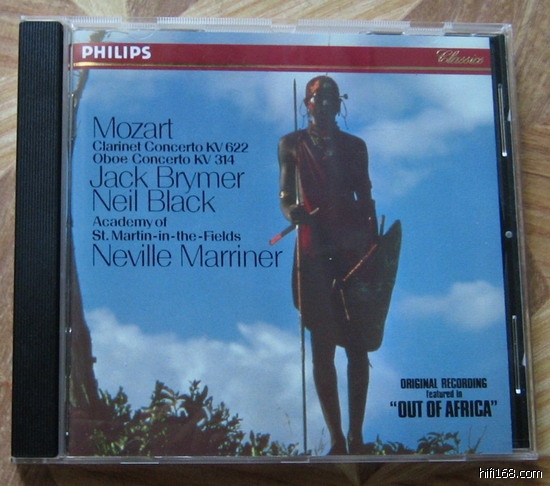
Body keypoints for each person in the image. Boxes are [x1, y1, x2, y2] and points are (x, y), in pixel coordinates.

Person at [278, 76, 378, 455]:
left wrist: (373, 247)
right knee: (322, 346)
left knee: (357, 344)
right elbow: (286, 195)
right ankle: (336, 440)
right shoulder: (291, 144)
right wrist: (292, 212)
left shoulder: (355, 146)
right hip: (313, 249)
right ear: (306, 103)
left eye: (330, 98)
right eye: (317, 98)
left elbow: (365, 196)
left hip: (352, 247)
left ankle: (357, 436)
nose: (323, 104)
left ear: (339, 104)